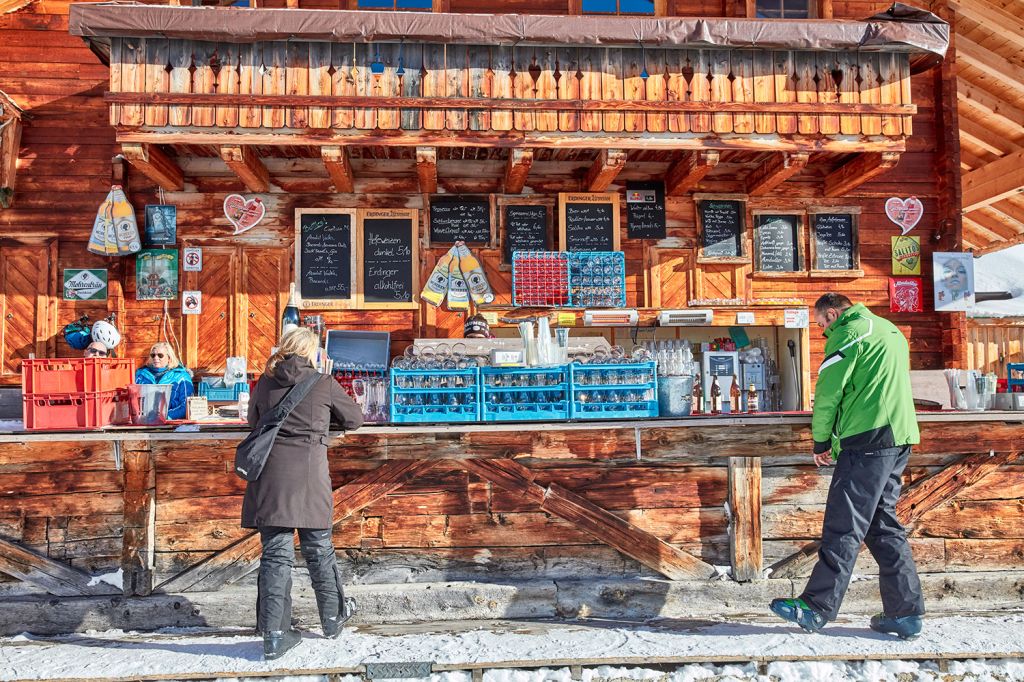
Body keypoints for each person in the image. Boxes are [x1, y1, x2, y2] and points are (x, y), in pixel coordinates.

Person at [769, 293, 924, 640]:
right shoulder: (888, 329)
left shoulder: (849, 333)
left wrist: (822, 440)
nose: (824, 331)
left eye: (823, 323)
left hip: (868, 439)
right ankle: (905, 613)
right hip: (899, 435)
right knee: (883, 525)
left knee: (844, 524)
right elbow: (870, 389)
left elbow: (829, 392)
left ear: (834, 313)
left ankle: (817, 607)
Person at [242, 327, 364, 661]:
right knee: (319, 549)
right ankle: (332, 619)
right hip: (310, 476)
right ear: (312, 352)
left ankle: (274, 635)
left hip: (270, 476)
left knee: (275, 555)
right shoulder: (323, 383)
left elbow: (253, 419)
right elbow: (354, 419)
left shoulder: (265, 382)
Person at [135, 342, 193, 420]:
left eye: (160, 355)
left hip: (170, 422)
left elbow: (186, 404)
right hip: (144, 421)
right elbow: (133, 400)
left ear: (169, 358)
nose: (155, 358)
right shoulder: (141, 375)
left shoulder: (181, 376)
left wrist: (164, 417)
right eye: (153, 355)